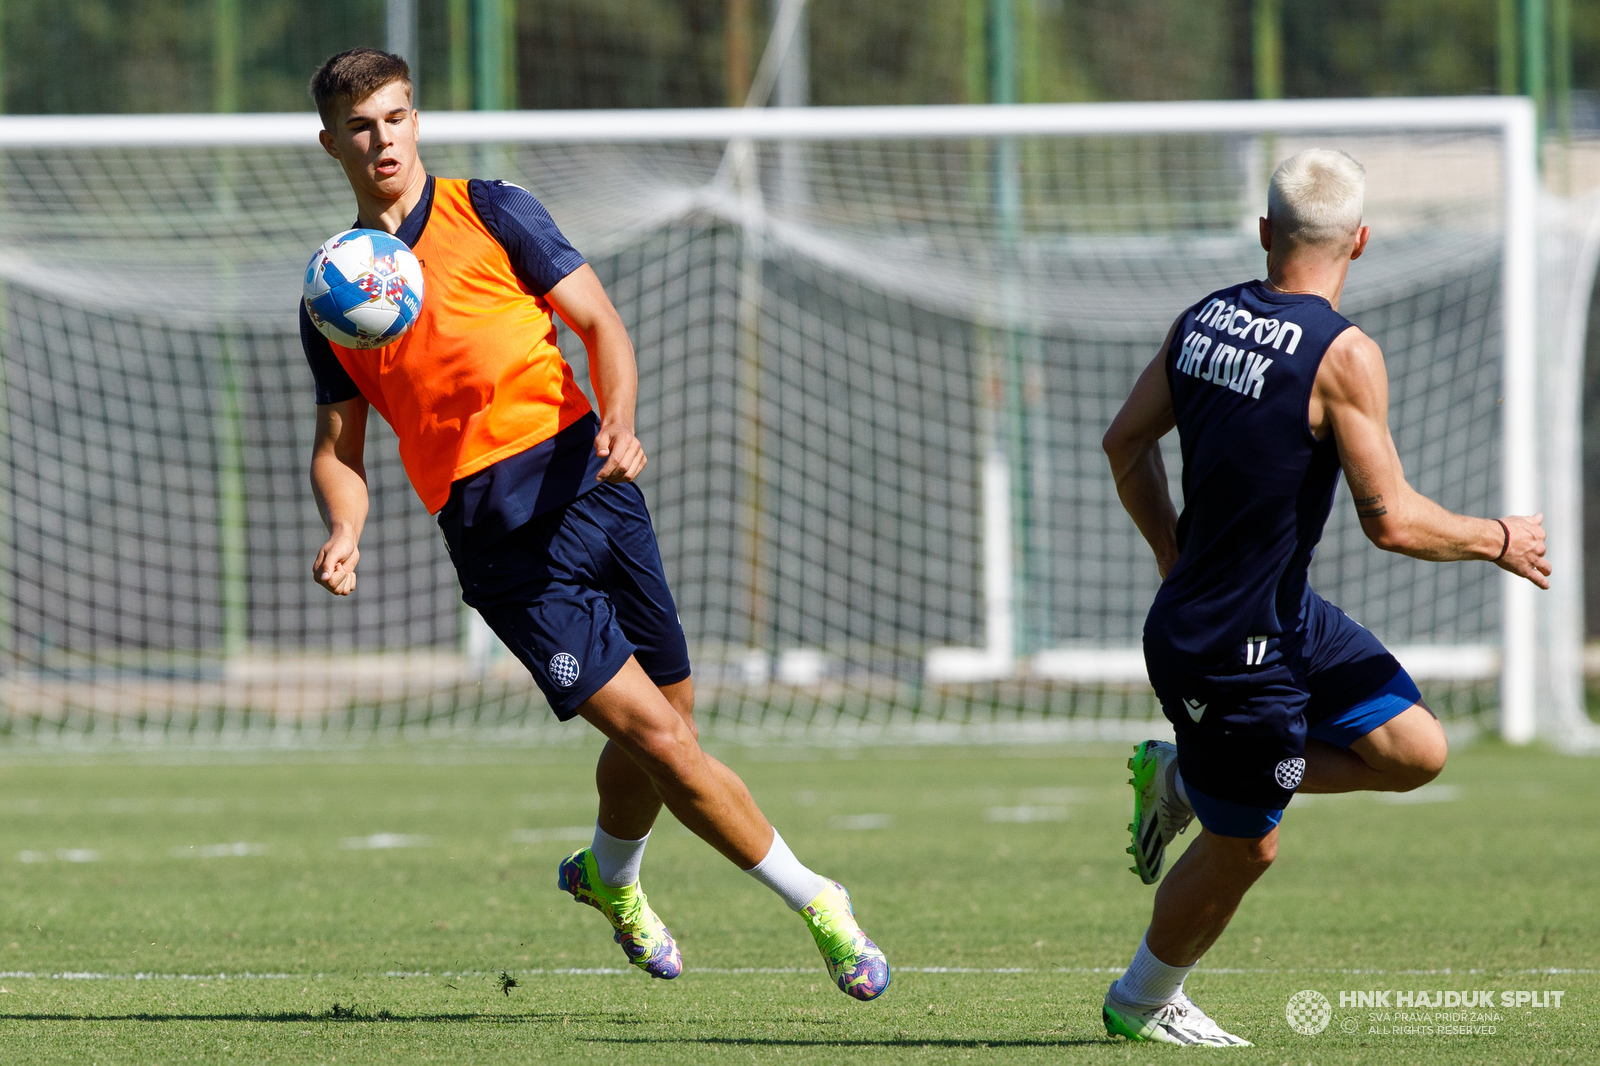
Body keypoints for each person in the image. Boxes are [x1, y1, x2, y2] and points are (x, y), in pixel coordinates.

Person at [300, 48, 888, 1001]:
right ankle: (820, 900)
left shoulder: (492, 210)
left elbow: (601, 326)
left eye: (397, 118)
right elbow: (339, 446)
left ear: (418, 122)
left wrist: (617, 417)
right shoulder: (332, 291)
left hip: (592, 481)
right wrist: (345, 530)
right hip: (499, 542)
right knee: (662, 742)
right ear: (331, 142)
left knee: (672, 727)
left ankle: (608, 878)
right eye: (361, 127)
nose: (383, 141)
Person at [1098, 148, 1548, 1045]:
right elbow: (1394, 523)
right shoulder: (1343, 355)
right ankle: (1141, 999)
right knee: (1246, 847)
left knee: (1415, 751)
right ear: (1363, 242)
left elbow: (1123, 443)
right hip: (1233, 651)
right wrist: (1497, 539)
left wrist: (1170, 552)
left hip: (1281, 615)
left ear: (1265, 234)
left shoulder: (1203, 319)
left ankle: (1187, 774)